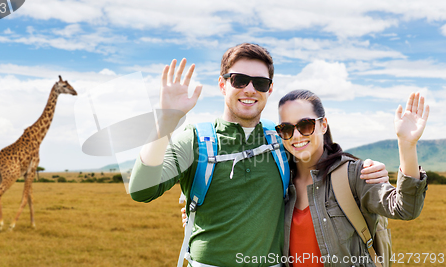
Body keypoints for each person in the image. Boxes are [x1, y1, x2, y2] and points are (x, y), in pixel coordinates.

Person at [129, 43, 388, 267]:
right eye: (239, 80)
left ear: (269, 90)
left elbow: (321, 161)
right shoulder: (194, 138)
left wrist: (366, 166)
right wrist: (164, 123)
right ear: (223, 84)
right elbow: (142, 190)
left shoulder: (282, 139)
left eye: (260, 83)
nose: (250, 89)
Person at [277, 90, 428, 266]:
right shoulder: (280, 183)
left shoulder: (353, 174)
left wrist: (407, 145)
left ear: (323, 125)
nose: (296, 136)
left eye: (305, 125)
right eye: (286, 128)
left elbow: (406, 208)